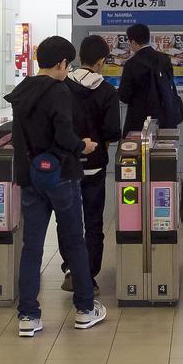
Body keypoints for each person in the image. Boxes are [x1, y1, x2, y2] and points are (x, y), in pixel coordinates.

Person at [5, 36, 108, 337]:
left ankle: (28, 316)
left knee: (32, 246)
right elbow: (64, 134)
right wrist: (83, 146)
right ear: (62, 63)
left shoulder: (21, 91)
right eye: (68, 64)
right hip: (61, 175)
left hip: (30, 177)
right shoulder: (59, 91)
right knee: (75, 240)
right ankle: (85, 310)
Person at [61, 35, 122, 292]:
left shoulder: (62, 85)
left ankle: (70, 268)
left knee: (67, 218)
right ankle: (88, 274)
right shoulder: (106, 91)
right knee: (93, 220)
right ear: (101, 61)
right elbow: (111, 131)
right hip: (95, 164)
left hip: (66, 163)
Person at [117, 22, 172, 134]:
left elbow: (124, 96)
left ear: (133, 42)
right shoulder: (164, 59)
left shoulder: (131, 64)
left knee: (136, 150)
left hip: (137, 121)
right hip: (163, 119)